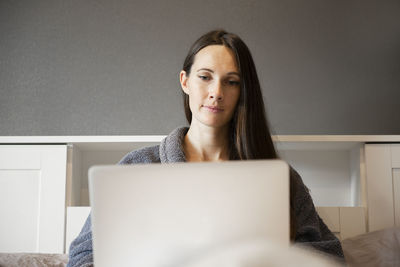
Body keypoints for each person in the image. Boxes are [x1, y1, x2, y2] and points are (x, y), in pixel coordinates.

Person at [67, 29, 345, 267]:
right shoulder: (137, 167)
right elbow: (82, 258)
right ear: (185, 81)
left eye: (231, 81)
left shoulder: (280, 179)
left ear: (242, 91)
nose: (216, 92)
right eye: (205, 77)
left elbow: (330, 257)